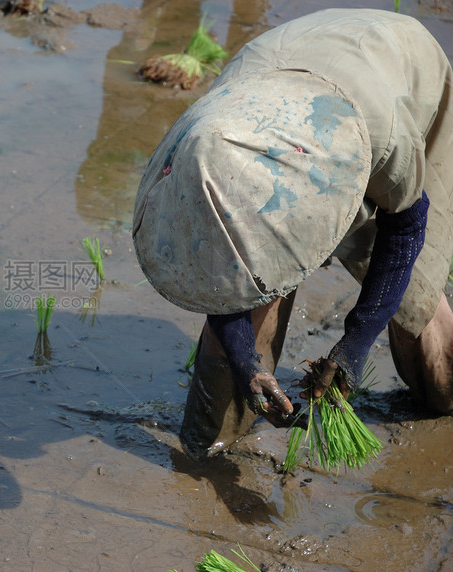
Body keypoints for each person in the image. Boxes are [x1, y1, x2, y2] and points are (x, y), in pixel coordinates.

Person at [132, 8, 453, 458]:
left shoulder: (383, 132)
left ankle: (444, 397)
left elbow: (405, 228)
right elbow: (220, 274)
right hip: (276, 65)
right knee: (249, 288)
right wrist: (246, 363)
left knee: (414, 298)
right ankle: (209, 444)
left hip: (394, 66)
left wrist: (356, 343)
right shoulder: (209, 143)